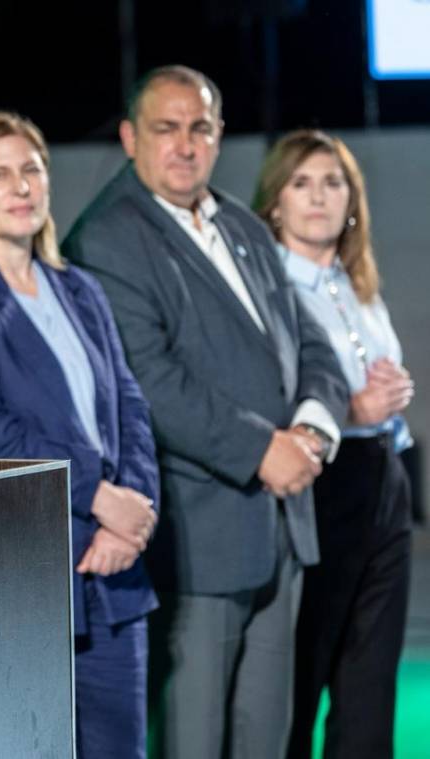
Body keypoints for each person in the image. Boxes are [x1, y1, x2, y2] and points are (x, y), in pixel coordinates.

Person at [60, 66, 349, 759]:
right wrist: (261, 451)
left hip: (283, 525)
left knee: (266, 738)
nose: (185, 145)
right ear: (131, 138)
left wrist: (311, 426)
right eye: (167, 128)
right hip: (197, 535)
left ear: (218, 137)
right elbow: (150, 381)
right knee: (192, 740)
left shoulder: (244, 226)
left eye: (201, 128)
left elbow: (311, 342)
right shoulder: (106, 239)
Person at [0, 111, 160, 759]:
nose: (20, 187)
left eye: (31, 170)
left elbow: (129, 408)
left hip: (113, 575)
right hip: (23, 578)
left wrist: (133, 513)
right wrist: (98, 495)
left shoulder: (81, 289)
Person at [254, 129, 415, 759]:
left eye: (332, 182)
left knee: (371, 675)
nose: (318, 197)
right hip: (320, 485)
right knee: (307, 665)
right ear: (275, 202)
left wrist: (393, 393)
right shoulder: (272, 289)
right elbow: (275, 399)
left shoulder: (356, 284)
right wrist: (353, 409)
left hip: (385, 480)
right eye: (301, 182)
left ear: (353, 199)